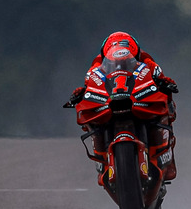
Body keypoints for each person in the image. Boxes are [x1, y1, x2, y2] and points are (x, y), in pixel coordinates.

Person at [68, 31, 179, 180]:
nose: (120, 65)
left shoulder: (147, 61)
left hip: (138, 99)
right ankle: (103, 161)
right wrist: (82, 93)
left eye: (126, 61)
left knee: (167, 106)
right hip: (111, 101)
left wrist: (165, 82)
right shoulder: (97, 66)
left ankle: (167, 158)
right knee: (90, 119)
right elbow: (89, 82)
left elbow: (160, 77)